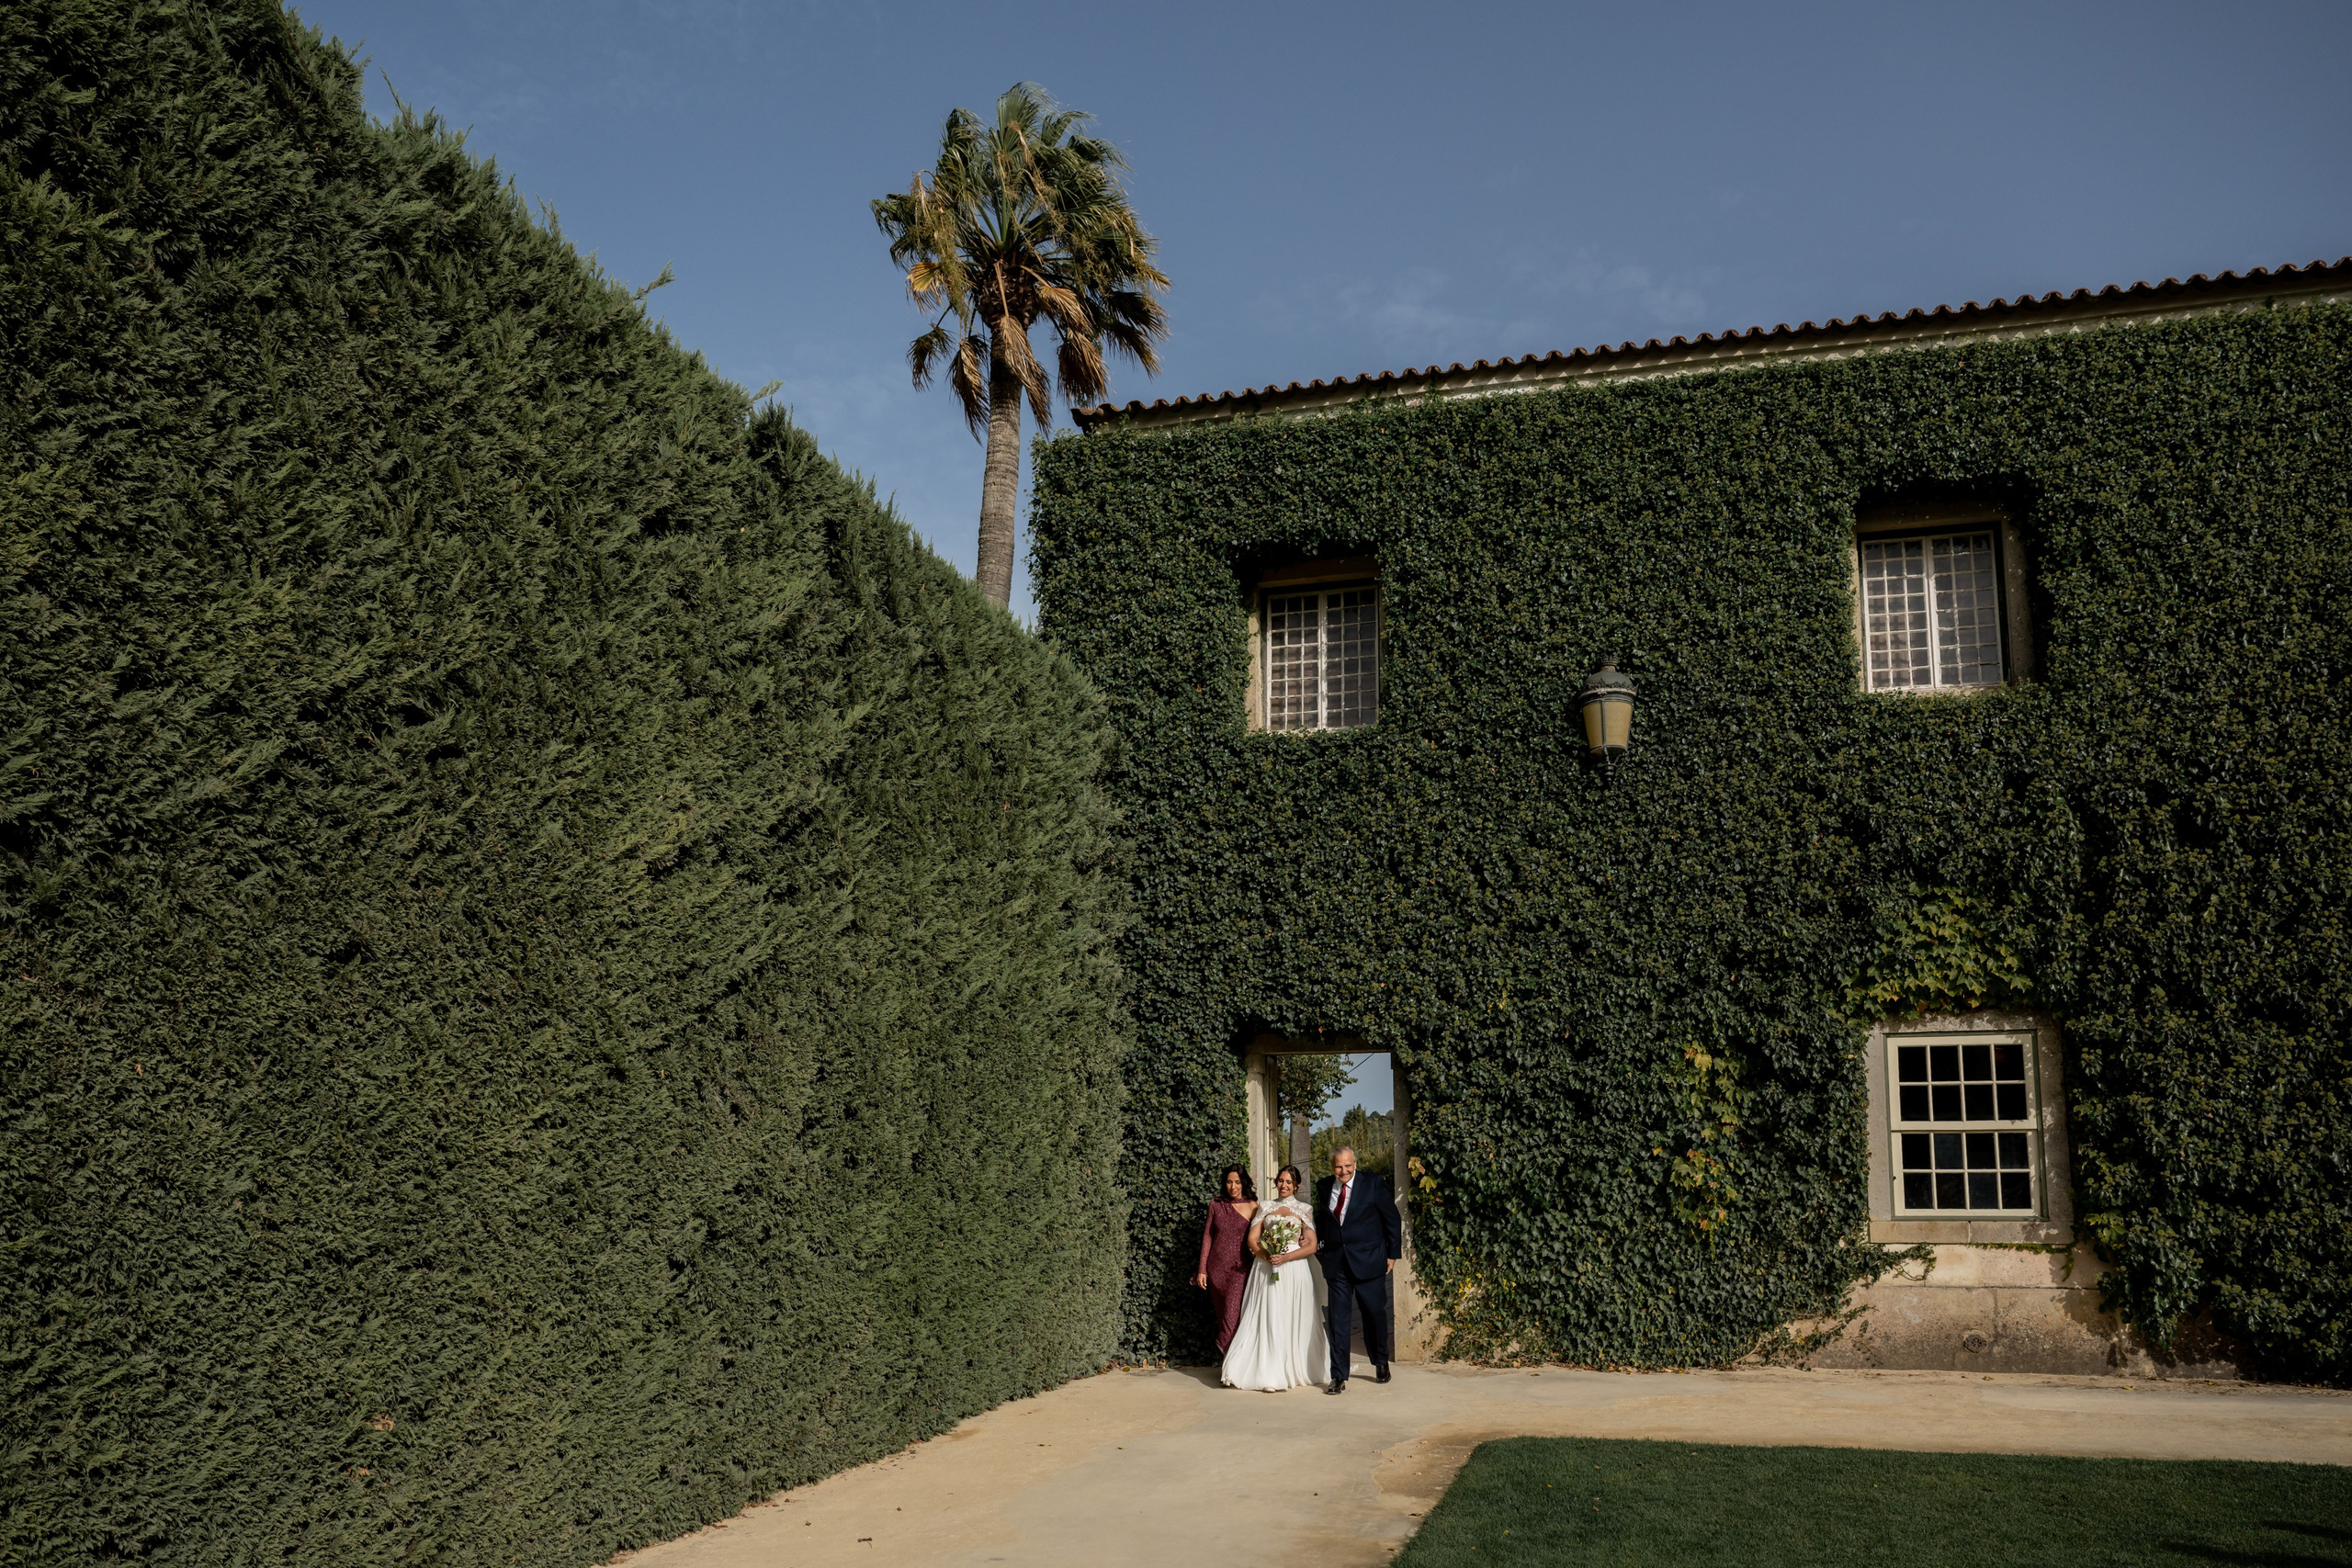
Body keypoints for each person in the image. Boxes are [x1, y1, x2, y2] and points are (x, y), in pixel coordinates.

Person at [1218, 1165, 1329, 1391]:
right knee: (1269, 1317)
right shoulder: (1266, 1206)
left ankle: (1295, 1367)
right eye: (1281, 1181)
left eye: (1289, 1182)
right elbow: (1252, 1238)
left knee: (1292, 1317)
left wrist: (1286, 1258)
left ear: (1296, 1185)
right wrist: (1266, 1255)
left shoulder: (1304, 1209)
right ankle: (1269, 1372)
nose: (1284, 1185)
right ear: (1276, 1182)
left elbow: (1311, 1245)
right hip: (1266, 1269)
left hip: (1295, 1271)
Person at [1312, 1144, 1401, 1394]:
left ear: (1355, 1164)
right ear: (1333, 1167)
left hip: (1369, 1260)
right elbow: (1325, 1220)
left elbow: (1391, 1219)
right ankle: (1338, 1376)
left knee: (1373, 1313)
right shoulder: (1323, 1186)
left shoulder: (1372, 1183)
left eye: (1348, 1165)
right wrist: (1317, 1243)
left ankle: (1380, 1361)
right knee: (1338, 1320)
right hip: (1336, 1263)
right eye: (1339, 1166)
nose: (1344, 1170)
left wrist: (1393, 1254)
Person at [1193, 1165, 1258, 1354]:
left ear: (1244, 1183)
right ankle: (1229, 1363)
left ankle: (1231, 1366)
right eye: (1229, 1182)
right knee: (1223, 1318)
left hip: (1240, 1270)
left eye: (1237, 1182)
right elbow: (1208, 1237)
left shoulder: (1253, 1206)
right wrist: (1202, 1269)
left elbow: (1259, 1237)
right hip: (1216, 1271)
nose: (1233, 1187)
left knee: (1232, 1317)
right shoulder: (1215, 1204)